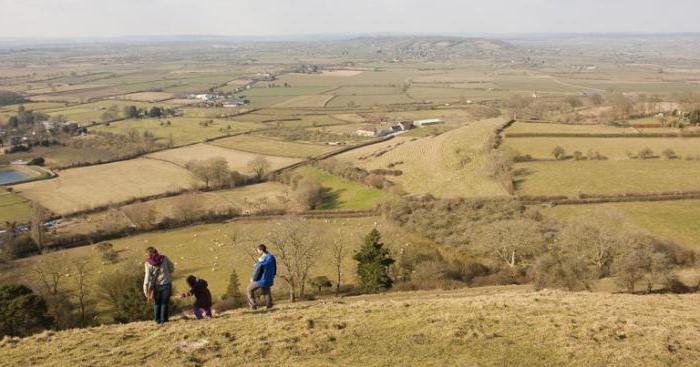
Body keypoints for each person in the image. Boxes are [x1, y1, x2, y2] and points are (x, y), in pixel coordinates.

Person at [143, 247, 175, 324]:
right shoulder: (164, 258)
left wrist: (145, 291)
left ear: (148, 254)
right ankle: (164, 320)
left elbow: (147, 278)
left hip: (156, 286)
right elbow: (171, 269)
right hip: (166, 283)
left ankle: (157, 320)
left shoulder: (147, 263)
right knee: (165, 302)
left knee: (157, 303)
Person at [247, 244, 276, 310]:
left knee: (249, 289)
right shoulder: (271, 256)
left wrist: (253, 279)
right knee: (266, 291)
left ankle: (253, 306)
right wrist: (273, 275)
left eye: (258, 250)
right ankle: (269, 306)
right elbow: (274, 266)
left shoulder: (263, 259)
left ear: (261, 250)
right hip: (269, 278)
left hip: (262, 280)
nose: (257, 252)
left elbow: (259, 268)